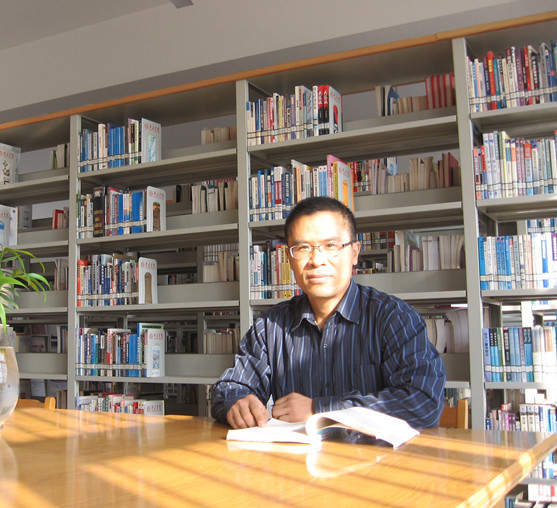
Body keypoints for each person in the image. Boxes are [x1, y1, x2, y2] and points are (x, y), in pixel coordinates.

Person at [211, 196, 446, 429]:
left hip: (372, 453)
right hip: (295, 453)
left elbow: (423, 401)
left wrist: (320, 409)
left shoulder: (393, 318)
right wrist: (237, 400)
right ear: (289, 259)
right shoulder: (271, 326)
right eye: (303, 248)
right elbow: (231, 386)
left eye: (331, 246)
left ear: (354, 252)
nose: (316, 260)